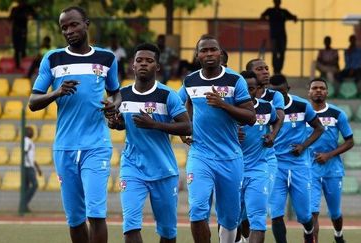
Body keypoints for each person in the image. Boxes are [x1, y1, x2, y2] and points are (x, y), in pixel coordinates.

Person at [28, 6, 121, 243]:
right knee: (76, 219)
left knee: (96, 214)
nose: (69, 30)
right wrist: (57, 92)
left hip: (96, 145)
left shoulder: (107, 58)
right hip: (65, 147)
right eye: (64, 27)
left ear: (86, 24)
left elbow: (116, 93)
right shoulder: (53, 58)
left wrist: (114, 105)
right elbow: (33, 102)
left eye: (73, 24)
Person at [106, 43, 192, 243]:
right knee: (130, 227)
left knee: (167, 234)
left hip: (163, 170)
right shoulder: (123, 94)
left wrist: (154, 124)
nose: (143, 64)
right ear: (132, 66)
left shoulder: (167, 95)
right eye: (139, 60)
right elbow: (121, 123)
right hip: (132, 168)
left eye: (149, 60)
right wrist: (116, 123)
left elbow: (187, 127)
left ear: (157, 67)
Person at [181, 34, 256, 243]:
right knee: (197, 209)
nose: (208, 54)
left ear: (220, 53)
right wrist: (186, 129)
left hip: (230, 157)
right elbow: (181, 105)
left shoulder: (234, 80)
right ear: (197, 55)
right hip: (200, 155)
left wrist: (223, 104)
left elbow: (251, 117)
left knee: (230, 219)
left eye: (212, 49)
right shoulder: (190, 80)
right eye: (203, 50)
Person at [268, 74, 324, 243]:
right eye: (273, 92)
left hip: (299, 165)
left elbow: (319, 128)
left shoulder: (301, 105)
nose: (277, 96)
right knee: (276, 213)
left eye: (280, 92)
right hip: (275, 165)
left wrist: (303, 146)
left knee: (304, 214)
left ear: (288, 90)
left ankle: (308, 232)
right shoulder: (266, 107)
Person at [241, 59, 284, 242]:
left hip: (263, 160)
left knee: (257, 212)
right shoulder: (228, 104)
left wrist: (272, 135)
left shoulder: (273, 99)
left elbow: (278, 118)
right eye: (260, 69)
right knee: (233, 216)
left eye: (267, 68)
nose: (266, 72)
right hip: (232, 164)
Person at [307, 78, 354, 243]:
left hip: (332, 169)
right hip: (309, 170)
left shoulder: (337, 113)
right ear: (309, 92)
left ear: (327, 92)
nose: (318, 90)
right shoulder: (303, 114)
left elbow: (350, 141)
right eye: (315, 88)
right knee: (311, 212)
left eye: (322, 88)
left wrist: (329, 155)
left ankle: (338, 234)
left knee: (335, 213)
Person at [261, 0, 297, 74]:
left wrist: (292, 18)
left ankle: (279, 70)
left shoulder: (283, 11)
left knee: (282, 52)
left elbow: (293, 17)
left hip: (281, 36)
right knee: (274, 52)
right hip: (274, 35)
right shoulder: (270, 11)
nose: (277, 3)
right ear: (274, 2)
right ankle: (276, 70)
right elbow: (262, 16)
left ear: (279, 2)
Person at [9, 0, 36, 69]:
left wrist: (29, 15)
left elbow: (34, 15)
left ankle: (24, 65)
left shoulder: (27, 8)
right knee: (16, 49)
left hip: (23, 31)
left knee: (23, 48)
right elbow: (10, 18)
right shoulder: (15, 9)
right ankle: (17, 66)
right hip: (16, 31)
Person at [22, 126, 42, 213]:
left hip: (29, 166)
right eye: (30, 131)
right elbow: (25, 152)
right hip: (28, 167)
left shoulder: (30, 141)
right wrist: (29, 164)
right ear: (26, 132)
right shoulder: (26, 140)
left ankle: (24, 206)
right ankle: (23, 203)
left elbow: (31, 157)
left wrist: (37, 168)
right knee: (35, 185)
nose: (32, 132)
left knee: (26, 187)